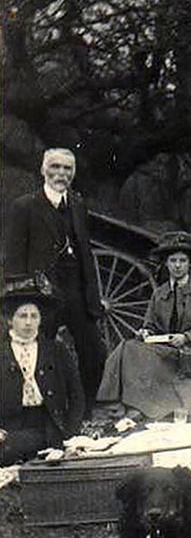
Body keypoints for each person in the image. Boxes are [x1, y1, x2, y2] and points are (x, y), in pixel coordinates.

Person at [4, 147, 106, 416]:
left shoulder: (77, 204)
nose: (61, 173)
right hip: (40, 295)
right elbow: (14, 259)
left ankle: (84, 411)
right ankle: (40, 412)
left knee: (94, 351)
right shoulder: (24, 206)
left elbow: (85, 252)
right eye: (55, 167)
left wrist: (92, 295)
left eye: (67, 169)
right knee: (37, 352)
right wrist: (21, 301)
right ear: (43, 170)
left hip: (76, 292)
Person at [96, 232, 191, 419]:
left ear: (189, 264)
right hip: (166, 349)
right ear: (166, 264)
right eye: (173, 261)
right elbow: (151, 324)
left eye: (182, 261)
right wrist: (146, 332)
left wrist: (186, 337)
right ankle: (120, 402)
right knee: (128, 348)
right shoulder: (160, 293)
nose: (177, 266)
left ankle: (143, 405)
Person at [1, 273, 84, 466]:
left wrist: (70, 431)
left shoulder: (55, 350)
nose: (28, 322)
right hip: (9, 428)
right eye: (22, 316)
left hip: (49, 425)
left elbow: (76, 395)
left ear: (40, 320)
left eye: (34, 316)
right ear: (10, 320)